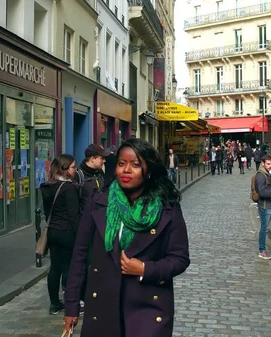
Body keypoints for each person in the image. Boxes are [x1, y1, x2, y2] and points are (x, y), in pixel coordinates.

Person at [63, 138, 190, 337]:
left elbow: (180, 258)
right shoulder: (98, 202)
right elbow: (79, 255)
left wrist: (145, 269)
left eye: (136, 165)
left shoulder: (167, 208)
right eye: (122, 164)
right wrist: (71, 304)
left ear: (149, 170)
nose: (126, 170)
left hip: (148, 310)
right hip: (103, 307)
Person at [40, 154, 82, 315]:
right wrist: (80, 235)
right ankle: (70, 302)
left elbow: (46, 211)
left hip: (52, 231)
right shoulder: (69, 188)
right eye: (73, 167)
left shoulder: (47, 186)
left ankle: (54, 303)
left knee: (54, 267)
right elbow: (74, 215)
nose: (75, 170)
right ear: (65, 169)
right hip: (66, 232)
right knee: (68, 268)